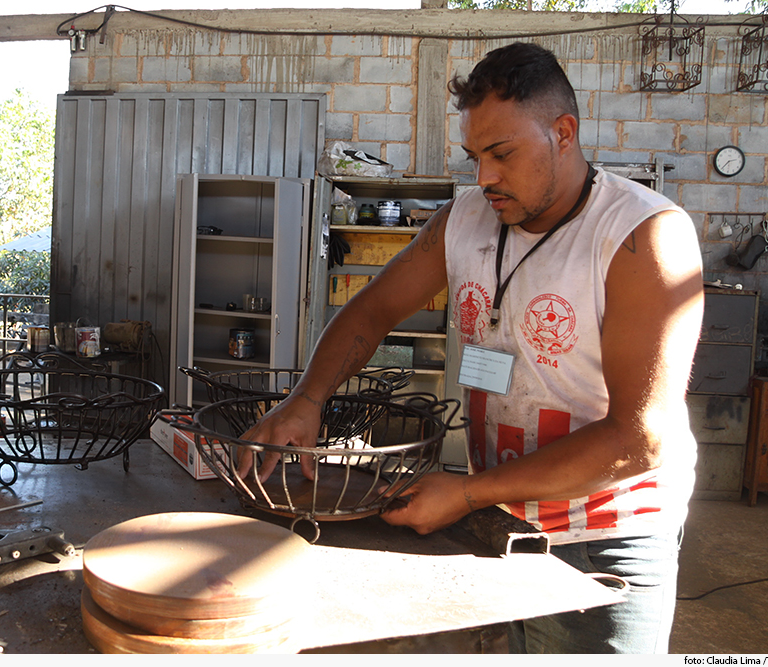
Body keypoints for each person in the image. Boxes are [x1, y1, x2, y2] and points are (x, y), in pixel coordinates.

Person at [240, 42, 704, 654]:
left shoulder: (642, 236)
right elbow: (373, 309)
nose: (484, 177)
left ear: (563, 133)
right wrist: (308, 398)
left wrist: (462, 494)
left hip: (605, 534)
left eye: (502, 154)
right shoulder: (465, 219)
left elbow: (639, 439)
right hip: (499, 516)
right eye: (474, 156)